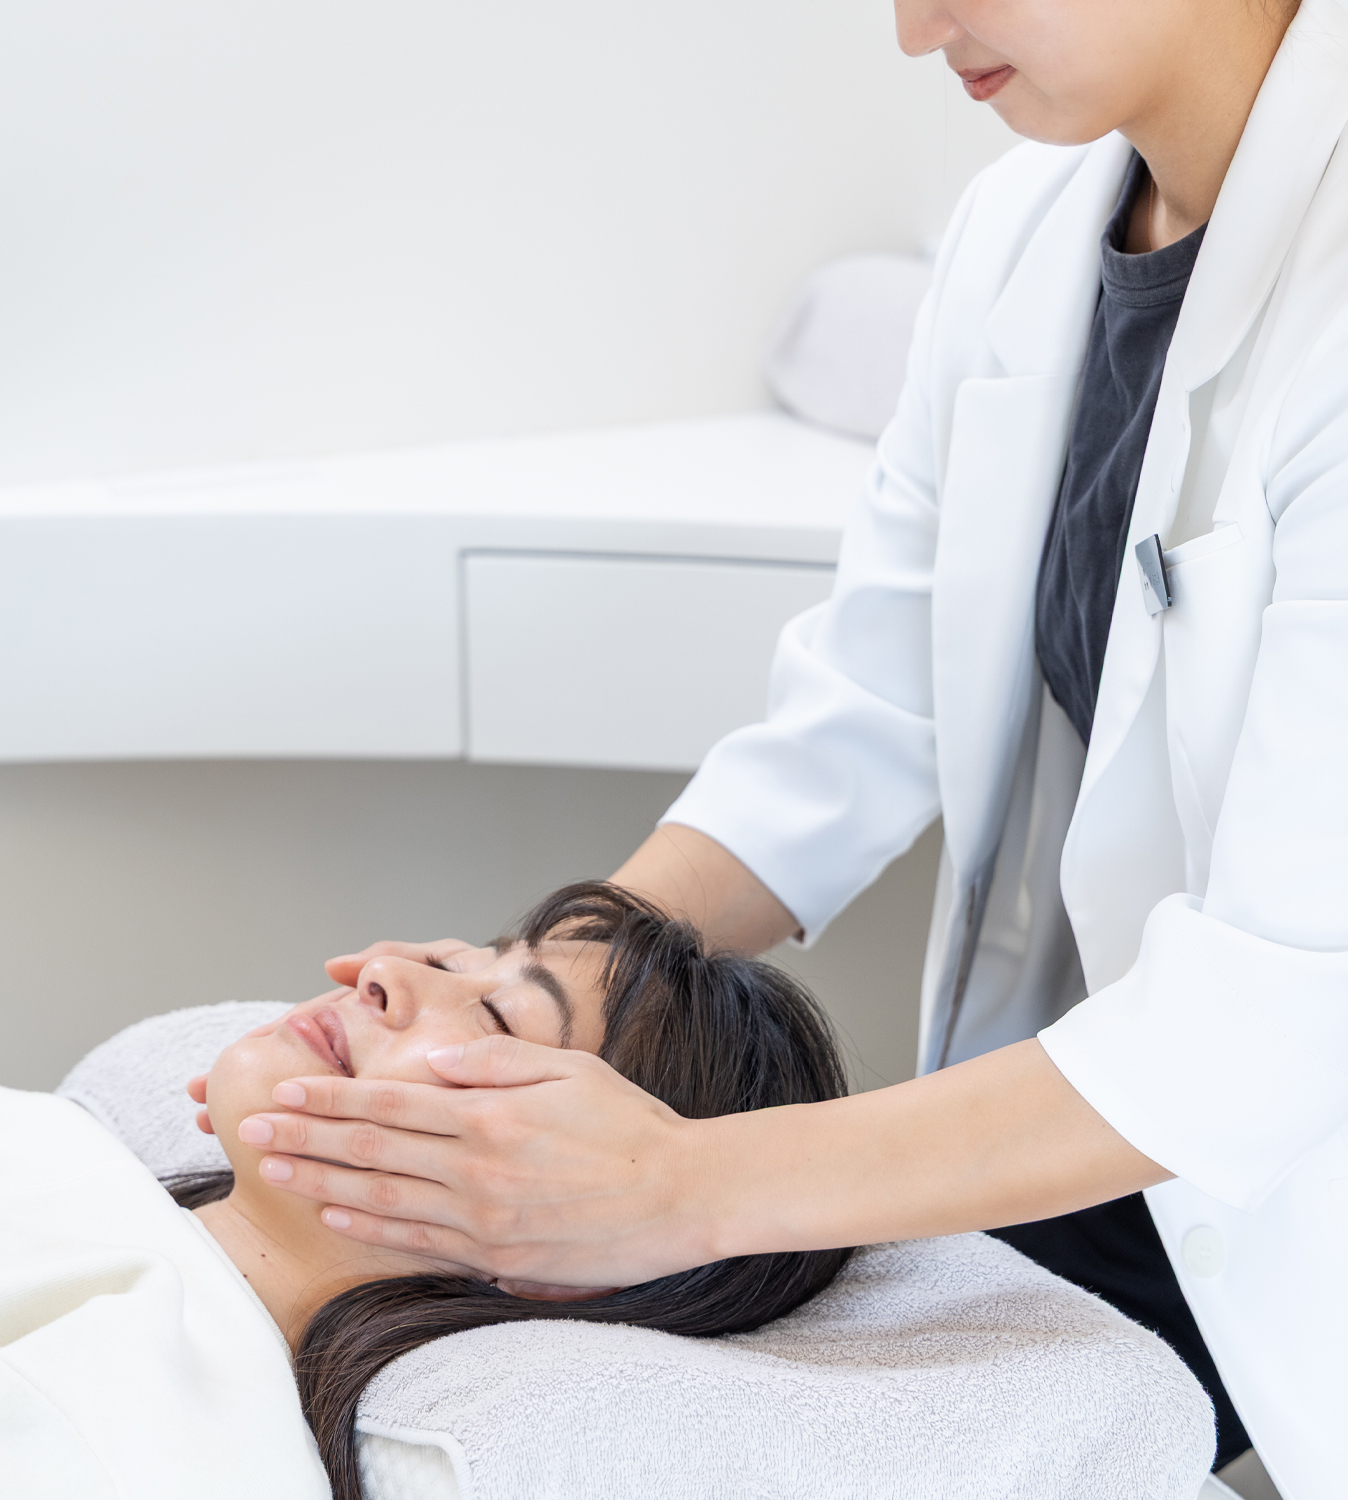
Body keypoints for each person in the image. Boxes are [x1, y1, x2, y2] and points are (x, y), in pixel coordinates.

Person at [215, 1, 1348, 1492]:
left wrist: (677, 1183)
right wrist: (525, 992)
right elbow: (855, 717)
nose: (915, 29)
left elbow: (1281, 999)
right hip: (1071, 1126)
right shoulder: (1023, 229)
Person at [0, 884, 851, 1500]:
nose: (383, 971)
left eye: (497, 1016)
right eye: (457, 963)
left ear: (568, 1230)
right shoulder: (31, 1142)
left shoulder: (142, 1444)